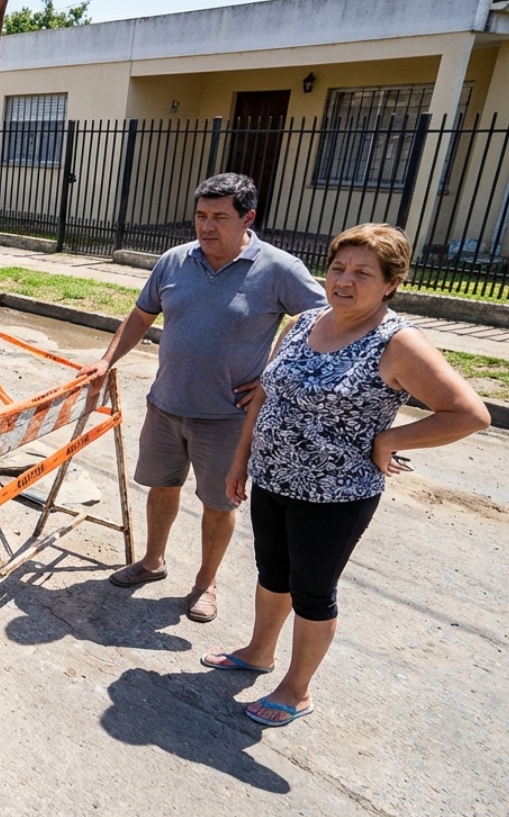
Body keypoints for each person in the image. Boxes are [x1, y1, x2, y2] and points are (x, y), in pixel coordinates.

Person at [204, 223, 489, 726]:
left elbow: (469, 413)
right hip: (273, 479)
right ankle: (258, 652)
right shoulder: (307, 320)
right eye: (338, 268)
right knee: (273, 575)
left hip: (335, 494)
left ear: (391, 283)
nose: (344, 280)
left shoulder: (398, 343)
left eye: (362, 272)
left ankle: (296, 690)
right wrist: (240, 459)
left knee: (312, 590)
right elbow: (266, 394)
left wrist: (390, 439)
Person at [81, 173, 325, 622]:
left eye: (219, 217)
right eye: (200, 216)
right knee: (162, 486)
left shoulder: (279, 269)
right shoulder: (174, 261)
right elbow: (140, 316)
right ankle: (153, 561)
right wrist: (106, 361)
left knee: (219, 502)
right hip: (166, 404)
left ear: (248, 218)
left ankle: (204, 583)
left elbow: (321, 319)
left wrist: (273, 372)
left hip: (227, 416)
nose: (206, 227)